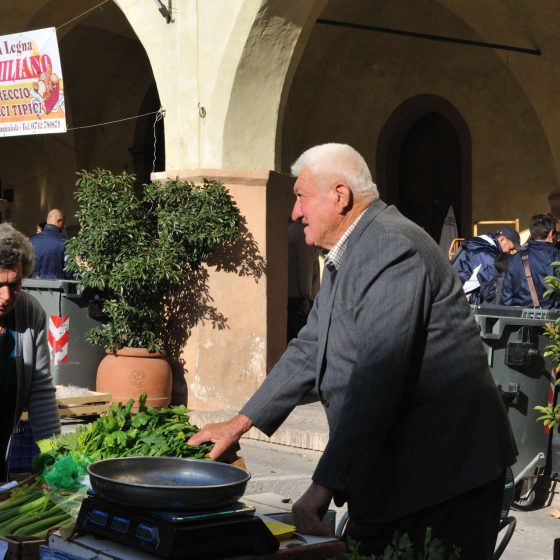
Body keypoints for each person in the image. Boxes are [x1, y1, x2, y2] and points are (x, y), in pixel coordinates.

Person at [188, 143, 516, 559]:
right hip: (402, 477)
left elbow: (378, 380)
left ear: (339, 196)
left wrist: (322, 486)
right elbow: (309, 347)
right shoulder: (355, 251)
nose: (294, 212)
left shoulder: (391, 247)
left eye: (300, 196)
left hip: (444, 480)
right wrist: (239, 423)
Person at [0, 223, 60, 481]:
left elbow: (41, 392)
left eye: (15, 284)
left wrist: (54, 456)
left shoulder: (29, 312)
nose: (5, 296)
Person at [501, 214, 560, 309]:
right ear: (551, 233)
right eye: (557, 234)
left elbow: (506, 298)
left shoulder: (515, 257)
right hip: (550, 320)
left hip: (519, 320)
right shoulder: (556, 256)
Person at [450, 227, 521, 304]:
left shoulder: (475, 245)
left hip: (450, 294)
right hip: (459, 302)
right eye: (511, 248)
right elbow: (490, 293)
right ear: (502, 239)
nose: (511, 253)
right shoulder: (487, 255)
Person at [287, 219, 320, 342]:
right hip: (300, 298)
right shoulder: (303, 233)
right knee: (303, 340)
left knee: (291, 338)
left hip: (292, 295)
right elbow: (305, 266)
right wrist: (305, 297)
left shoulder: (290, 230)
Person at [29, 209, 67, 279]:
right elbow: (69, 269)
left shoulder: (32, 241)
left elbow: (25, 266)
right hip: (58, 286)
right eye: (63, 222)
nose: (64, 225)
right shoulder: (65, 242)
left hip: (34, 285)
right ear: (59, 221)